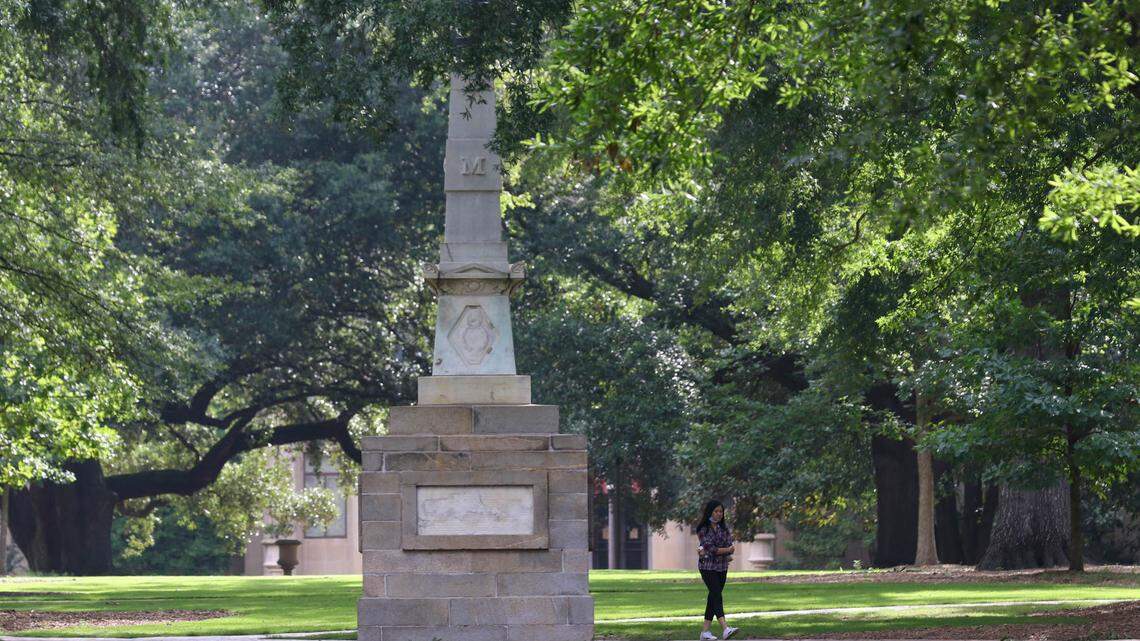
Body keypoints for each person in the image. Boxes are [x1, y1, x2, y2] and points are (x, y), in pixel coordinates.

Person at [696, 500, 739, 640]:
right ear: (710, 512)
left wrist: (725, 552)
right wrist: (726, 551)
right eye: (716, 511)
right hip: (707, 567)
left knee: (713, 597)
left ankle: (705, 632)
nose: (719, 514)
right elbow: (712, 549)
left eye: (721, 511)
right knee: (717, 595)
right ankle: (725, 628)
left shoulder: (724, 529)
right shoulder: (703, 529)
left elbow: (728, 544)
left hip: (721, 567)